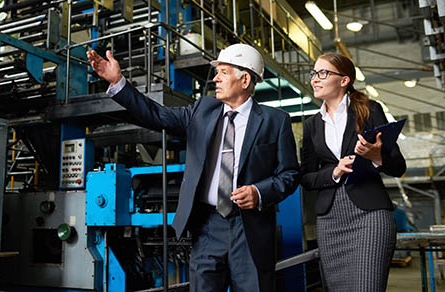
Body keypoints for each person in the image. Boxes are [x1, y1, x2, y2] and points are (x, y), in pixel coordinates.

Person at [87, 44, 299, 292]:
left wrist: (259, 191)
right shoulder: (202, 110)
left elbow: (290, 174)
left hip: (250, 228)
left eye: (223, 72)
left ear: (245, 79)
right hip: (208, 226)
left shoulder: (276, 121)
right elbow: (156, 115)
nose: (216, 79)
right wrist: (119, 82)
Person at [300, 53, 406, 291]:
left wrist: (375, 156)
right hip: (330, 220)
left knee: (367, 286)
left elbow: (399, 166)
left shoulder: (368, 110)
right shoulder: (311, 125)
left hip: (369, 215)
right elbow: (306, 177)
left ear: (344, 80)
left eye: (323, 73)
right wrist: (334, 172)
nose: (315, 79)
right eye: (313, 74)